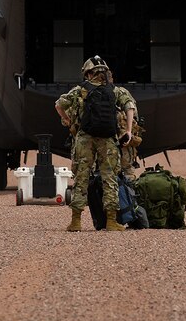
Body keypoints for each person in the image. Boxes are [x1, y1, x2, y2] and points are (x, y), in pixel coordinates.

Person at [55, 55, 137, 232]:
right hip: (107, 138)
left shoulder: (79, 90)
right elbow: (130, 106)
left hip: (84, 138)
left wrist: (68, 120)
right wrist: (129, 131)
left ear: (87, 73)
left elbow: (59, 105)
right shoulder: (115, 90)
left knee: (81, 177)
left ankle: (76, 221)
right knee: (109, 178)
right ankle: (111, 221)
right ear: (105, 72)